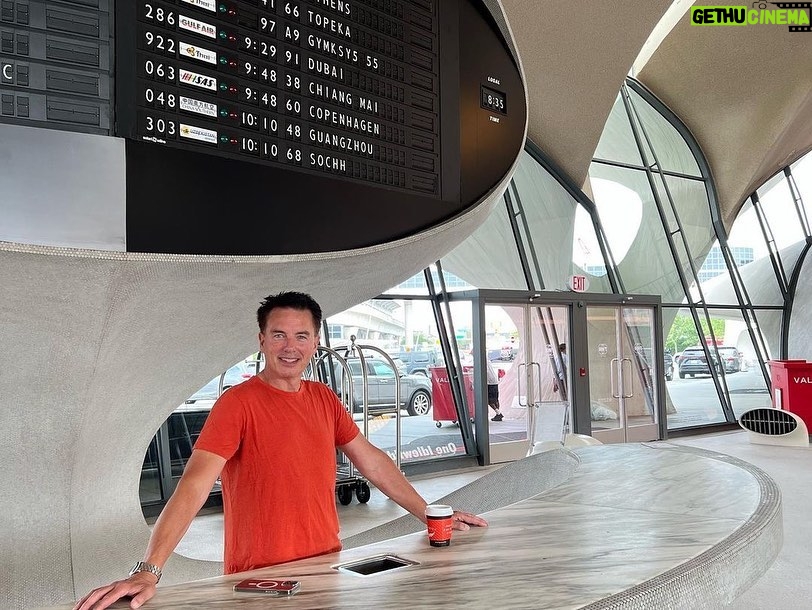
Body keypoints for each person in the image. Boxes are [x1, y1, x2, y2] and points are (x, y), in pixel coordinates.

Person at [75, 291, 487, 610]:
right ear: (262, 340)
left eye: (301, 336)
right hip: (261, 577)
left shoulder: (324, 398)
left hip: (326, 564)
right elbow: (194, 486)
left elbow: (373, 463)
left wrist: (433, 514)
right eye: (279, 335)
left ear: (315, 341)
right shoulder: (237, 403)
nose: (290, 346)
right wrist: (149, 570)